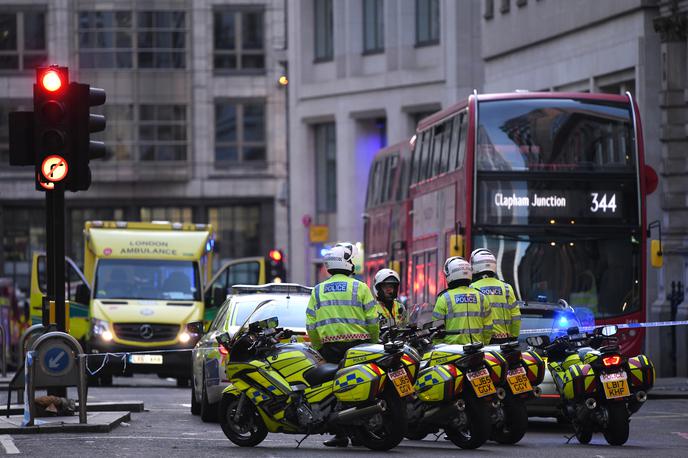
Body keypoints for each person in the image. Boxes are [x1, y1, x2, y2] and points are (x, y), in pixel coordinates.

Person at [306, 242, 379, 448]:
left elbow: (311, 324)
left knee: (334, 391)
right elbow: (373, 320)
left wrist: (318, 347)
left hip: (331, 348)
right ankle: (361, 432)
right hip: (360, 346)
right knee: (361, 385)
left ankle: (340, 435)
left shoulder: (318, 291)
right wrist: (373, 342)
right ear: (347, 264)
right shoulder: (360, 287)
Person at [432, 257, 492, 345]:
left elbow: (436, 329)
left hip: (452, 350)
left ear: (450, 275)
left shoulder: (444, 298)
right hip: (477, 348)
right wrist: (484, 344)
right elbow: (488, 328)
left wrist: (437, 346)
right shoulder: (482, 297)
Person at [469, 248, 521, 344]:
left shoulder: (471, 288)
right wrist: (513, 337)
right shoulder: (506, 288)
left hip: (481, 342)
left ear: (474, 266)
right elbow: (516, 316)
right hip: (504, 341)